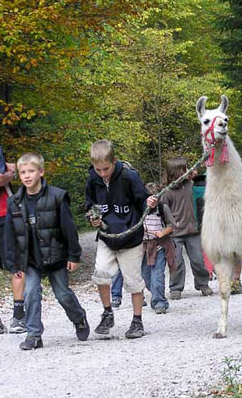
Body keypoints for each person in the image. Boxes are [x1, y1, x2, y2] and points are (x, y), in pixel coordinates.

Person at [4, 152, 90, 350]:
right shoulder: (14, 202)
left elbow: (69, 229)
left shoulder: (57, 197)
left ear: (41, 172)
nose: (27, 176)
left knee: (62, 294)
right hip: (30, 259)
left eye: (31, 171)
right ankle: (34, 335)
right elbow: (10, 235)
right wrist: (13, 263)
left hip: (56, 256)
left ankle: (79, 318)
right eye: (22, 172)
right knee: (31, 293)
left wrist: (73, 255)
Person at [85, 139, 157, 338]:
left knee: (133, 281)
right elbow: (89, 203)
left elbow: (142, 200)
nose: (102, 173)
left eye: (106, 168)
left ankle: (137, 321)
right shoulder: (93, 179)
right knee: (101, 273)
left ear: (114, 161)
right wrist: (93, 216)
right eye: (98, 169)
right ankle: (107, 313)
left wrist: (149, 203)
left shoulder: (128, 176)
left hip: (130, 237)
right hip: (107, 237)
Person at [161, 157, 213, 300]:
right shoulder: (166, 192)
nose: (187, 171)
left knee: (197, 260)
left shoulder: (191, 184)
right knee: (176, 262)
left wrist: (192, 172)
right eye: (184, 169)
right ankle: (176, 288)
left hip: (192, 231)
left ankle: (203, 284)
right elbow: (163, 212)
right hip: (175, 233)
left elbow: (196, 174)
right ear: (176, 172)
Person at [0, 142, 26, 335]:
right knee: (17, 264)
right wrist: (10, 174)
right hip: (1, 214)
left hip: (2, 215)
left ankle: (1, 321)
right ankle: (18, 316)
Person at [141, 182, 176, 314]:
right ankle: (156, 294)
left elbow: (172, 225)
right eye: (149, 197)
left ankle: (159, 302)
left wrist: (162, 232)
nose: (152, 200)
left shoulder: (163, 208)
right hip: (143, 247)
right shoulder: (139, 209)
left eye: (155, 197)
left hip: (160, 246)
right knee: (146, 275)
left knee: (157, 274)